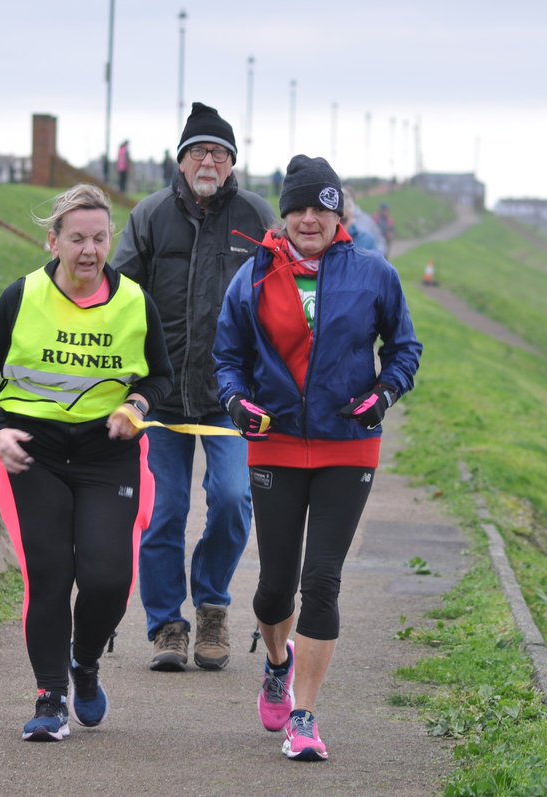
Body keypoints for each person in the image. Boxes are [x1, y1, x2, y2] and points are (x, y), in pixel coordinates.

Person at [213, 155, 422, 761]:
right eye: (299, 207)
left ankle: (304, 716)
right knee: (275, 589)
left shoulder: (375, 274)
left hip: (347, 446)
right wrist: (235, 401)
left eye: (321, 207)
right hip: (275, 442)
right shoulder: (252, 277)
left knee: (321, 582)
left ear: (339, 213)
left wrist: (384, 392)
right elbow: (227, 355)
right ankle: (276, 662)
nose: (310, 218)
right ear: (285, 213)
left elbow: (405, 347)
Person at [0, 183, 173, 741]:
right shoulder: (22, 296)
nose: (89, 250)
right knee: (50, 574)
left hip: (109, 453)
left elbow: (161, 376)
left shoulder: (133, 301)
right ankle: (51, 697)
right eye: (76, 238)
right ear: (53, 241)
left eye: (100, 238)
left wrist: (135, 405)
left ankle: (84, 661)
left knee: (107, 578)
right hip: (36, 453)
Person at [112, 101, 275, 672]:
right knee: (166, 509)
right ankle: (167, 626)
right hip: (160, 396)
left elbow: (283, 302)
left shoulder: (258, 219)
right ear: (181, 161)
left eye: (220, 152)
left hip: (232, 398)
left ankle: (210, 605)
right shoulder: (150, 215)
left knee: (232, 501)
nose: (209, 160)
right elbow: (119, 297)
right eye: (199, 151)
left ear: (232, 163)